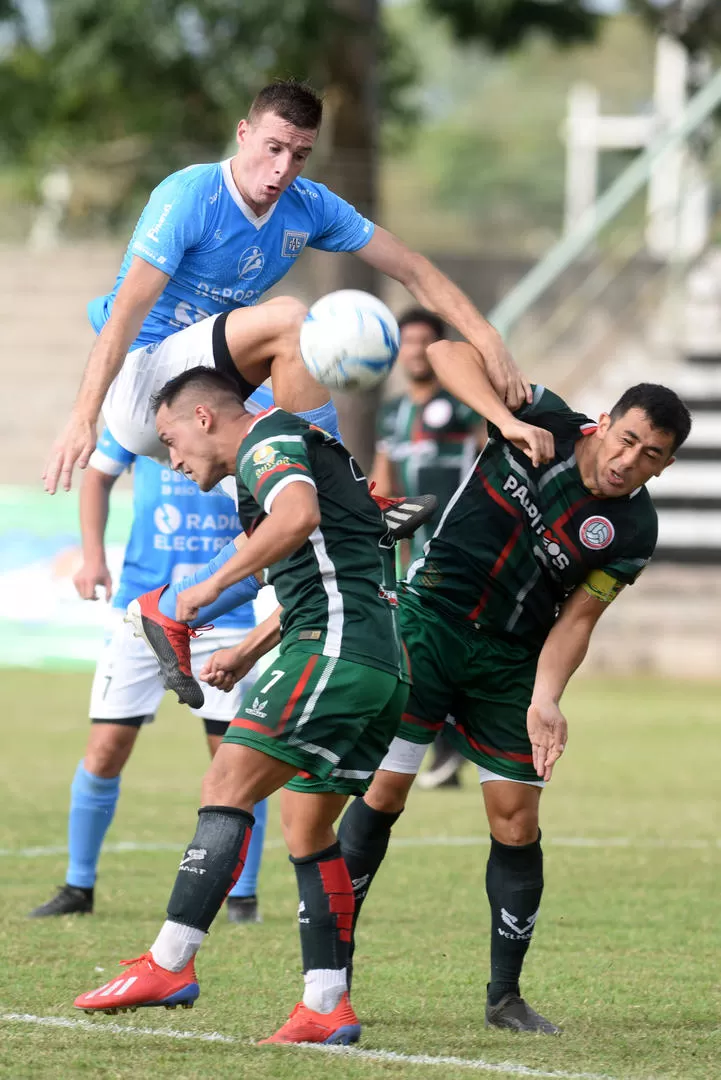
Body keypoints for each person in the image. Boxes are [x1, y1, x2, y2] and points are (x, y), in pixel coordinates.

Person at [337, 350, 692, 1034]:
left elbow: (576, 619)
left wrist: (546, 697)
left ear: (663, 466)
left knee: (515, 821)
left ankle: (504, 998)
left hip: (509, 660)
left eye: (650, 456)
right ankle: (333, 973)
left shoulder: (632, 531)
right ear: (602, 422)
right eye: (626, 439)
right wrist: (501, 418)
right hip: (430, 620)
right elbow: (446, 354)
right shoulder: (543, 418)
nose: (629, 461)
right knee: (384, 792)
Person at [74, 367, 410, 1047]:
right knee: (307, 830)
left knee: (225, 784)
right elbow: (320, 561)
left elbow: (298, 519)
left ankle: (168, 963)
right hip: (378, 663)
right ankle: (325, 1004)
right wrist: (252, 652)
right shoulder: (287, 454)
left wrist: (201, 591)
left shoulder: (268, 440)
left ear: (204, 419)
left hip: (332, 652)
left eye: (169, 440)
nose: (172, 460)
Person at [43, 78, 528, 497]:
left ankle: (179, 602)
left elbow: (414, 269)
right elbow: (125, 314)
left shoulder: (309, 205)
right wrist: (83, 416)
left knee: (300, 501)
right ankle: (346, 487)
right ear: (243, 133)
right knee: (294, 321)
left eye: (299, 155)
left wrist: (486, 337)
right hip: (143, 390)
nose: (283, 167)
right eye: (273, 147)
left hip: (213, 398)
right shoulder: (190, 195)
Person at [29, 422, 269, 924]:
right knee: (105, 750)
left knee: (234, 761)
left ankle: (242, 897)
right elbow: (96, 477)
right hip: (140, 609)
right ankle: (78, 886)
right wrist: (93, 556)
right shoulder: (142, 414)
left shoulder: (246, 417)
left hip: (223, 612)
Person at [372, 307, 486, 790]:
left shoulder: (462, 404)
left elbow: (488, 453)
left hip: (459, 547)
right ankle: (446, 751)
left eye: (424, 342)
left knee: (432, 645)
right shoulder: (394, 411)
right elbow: (384, 475)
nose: (415, 351)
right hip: (413, 550)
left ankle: (451, 749)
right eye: (407, 342)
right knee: (417, 645)